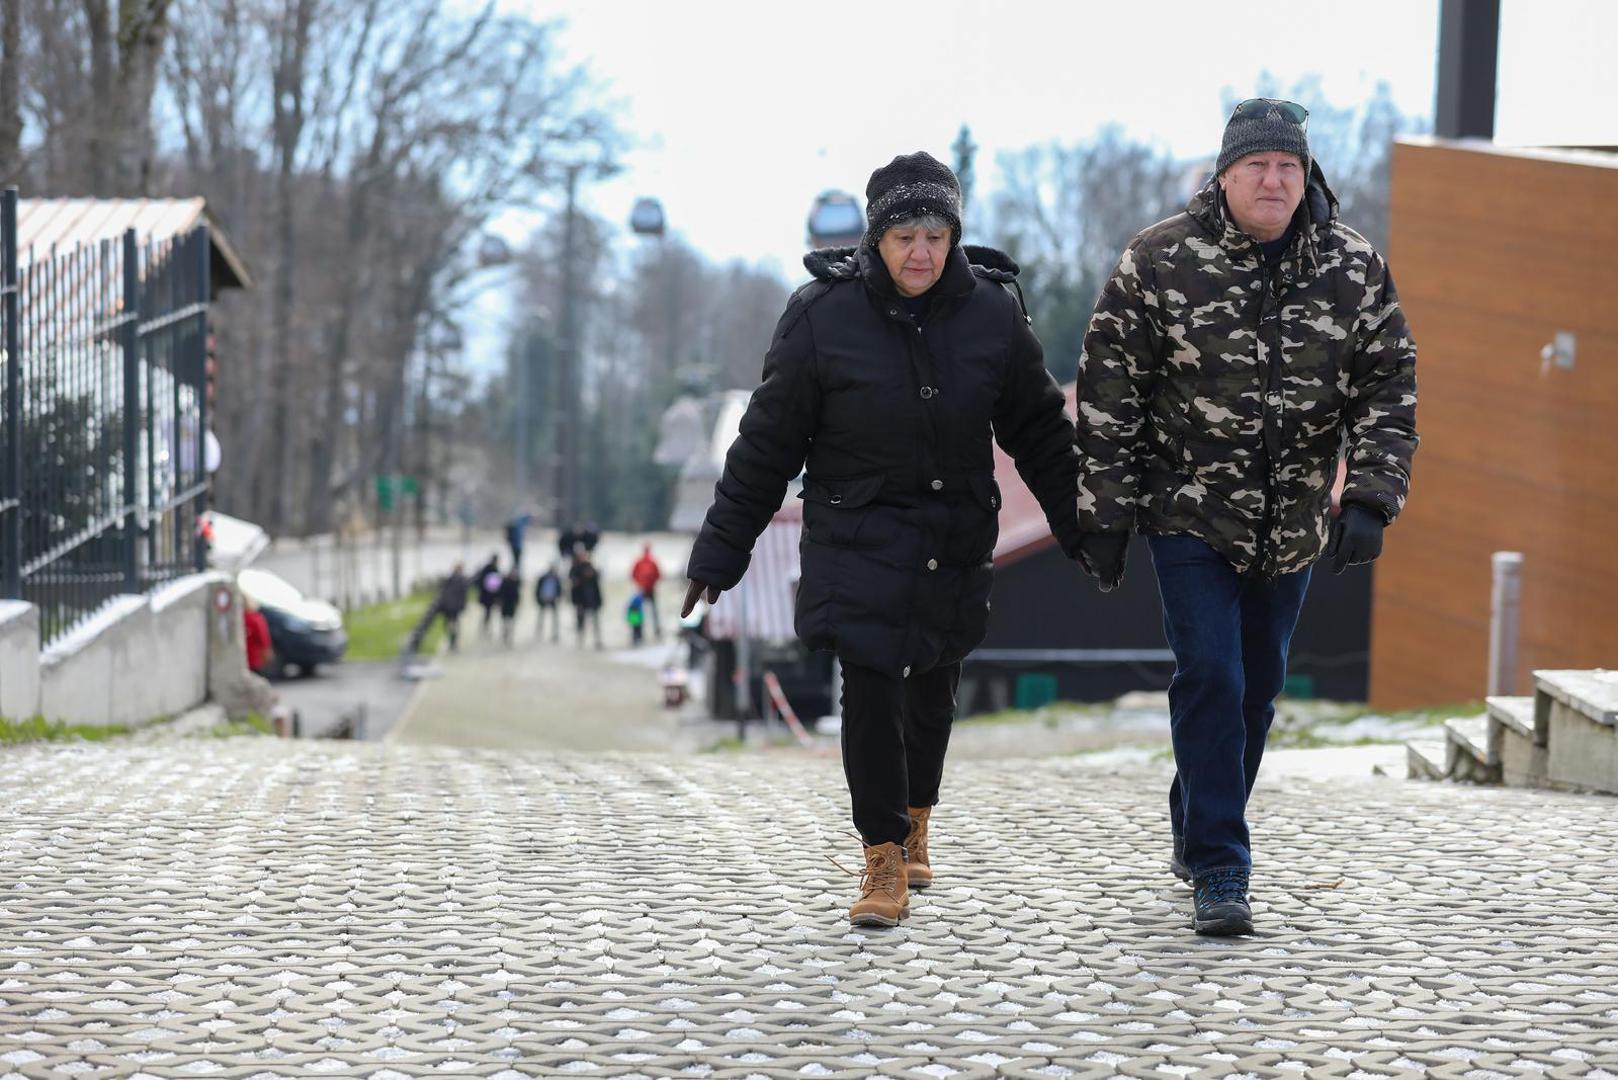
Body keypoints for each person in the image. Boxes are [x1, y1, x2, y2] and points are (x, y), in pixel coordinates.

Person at [682, 151, 1083, 928]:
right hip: (855, 538)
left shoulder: (994, 314)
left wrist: (1081, 531)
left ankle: (916, 815)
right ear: (876, 240)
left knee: (931, 689)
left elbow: (1039, 432)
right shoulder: (819, 317)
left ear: (954, 235)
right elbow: (766, 448)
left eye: (935, 233)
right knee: (868, 688)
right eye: (903, 235)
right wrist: (719, 555)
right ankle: (882, 857)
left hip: (953, 535)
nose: (920, 252)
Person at [1074, 98, 1418, 936]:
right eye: (1257, 166)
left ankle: (1197, 821)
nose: (1273, 180)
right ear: (1224, 174)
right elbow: (1111, 393)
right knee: (1213, 679)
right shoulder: (1159, 261)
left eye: (1288, 168)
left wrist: (1370, 496)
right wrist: (1104, 515)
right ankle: (1222, 867)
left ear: (1307, 179)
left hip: (1294, 520)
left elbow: (1388, 385)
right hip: (1189, 512)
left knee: (1257, 691)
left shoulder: (1352, 266)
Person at [569, 547, 603, 649]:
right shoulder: (575, 568)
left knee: (595, 621)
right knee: (581, 621)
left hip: (592, 600)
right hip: (581, 601)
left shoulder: (592, 568)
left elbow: (597, 584)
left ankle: (597, 640)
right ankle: (580, 640)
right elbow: (573, 583)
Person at [631, 543, 663, 639]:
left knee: (637, 610)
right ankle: (656, 631)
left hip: (641, 590)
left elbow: (633, 574)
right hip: (649, 590)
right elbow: (658, 575)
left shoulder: (639, 561)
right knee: (653, 612)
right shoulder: (652, 561)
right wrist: (652, 584)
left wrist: (639, 584)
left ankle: (637, 633)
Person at [436, 562, 469, 652]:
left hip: (449, 606)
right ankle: (453, 641)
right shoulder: (462, 580)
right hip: (455, 607)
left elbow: (443, 591)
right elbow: (463, 595)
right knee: (454, 624)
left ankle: (452, 641)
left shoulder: (450, 579)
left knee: (450, 624)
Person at [534, 563, 563, 642]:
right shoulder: (543, 578)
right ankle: (539, 632)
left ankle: (554, 633)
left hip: (552, 599)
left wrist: (558, 598)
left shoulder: (556, 578)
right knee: (541, 617)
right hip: (543, 598)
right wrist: (538, 598)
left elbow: (559, 590)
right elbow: (538, 589)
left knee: (554, 618)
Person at [475, 554, 501, 639]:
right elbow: (497, 586)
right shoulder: (494, 570)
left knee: (487, 612)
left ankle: (485, 627)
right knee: (488, 612)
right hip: (489, 596)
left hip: (486, 595)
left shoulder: (486, 569)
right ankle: (486, 627)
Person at [497, 568, 521, 646]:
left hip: (511, 605)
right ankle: (505, 633)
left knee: (510, 622)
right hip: (505, 604)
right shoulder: (505, 582)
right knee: (505, 621)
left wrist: (517, 603)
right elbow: (500, 593)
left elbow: (517, 595)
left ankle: (508, 635)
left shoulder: (515, 583)